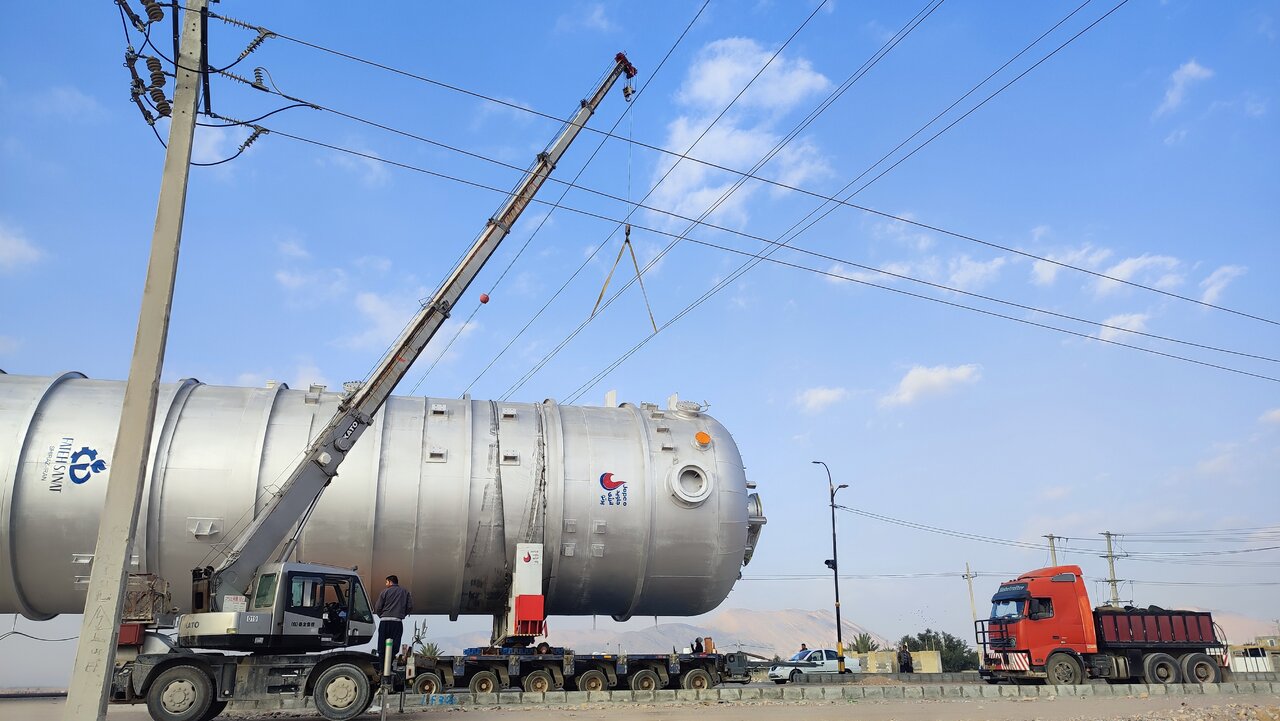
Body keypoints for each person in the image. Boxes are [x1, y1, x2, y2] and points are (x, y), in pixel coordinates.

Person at [373, 574, 413, 663]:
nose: (386, 584)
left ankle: (382, 668)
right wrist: (402, 614)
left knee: (382, 646)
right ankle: (390, 664)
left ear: (390, 582)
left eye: (386, 582)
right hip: (397, 622)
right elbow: (410, 606)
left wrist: (381, 615)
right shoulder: (405, 592)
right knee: (395, 646)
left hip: (384, 622)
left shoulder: (384, 592)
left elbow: (378, 607)